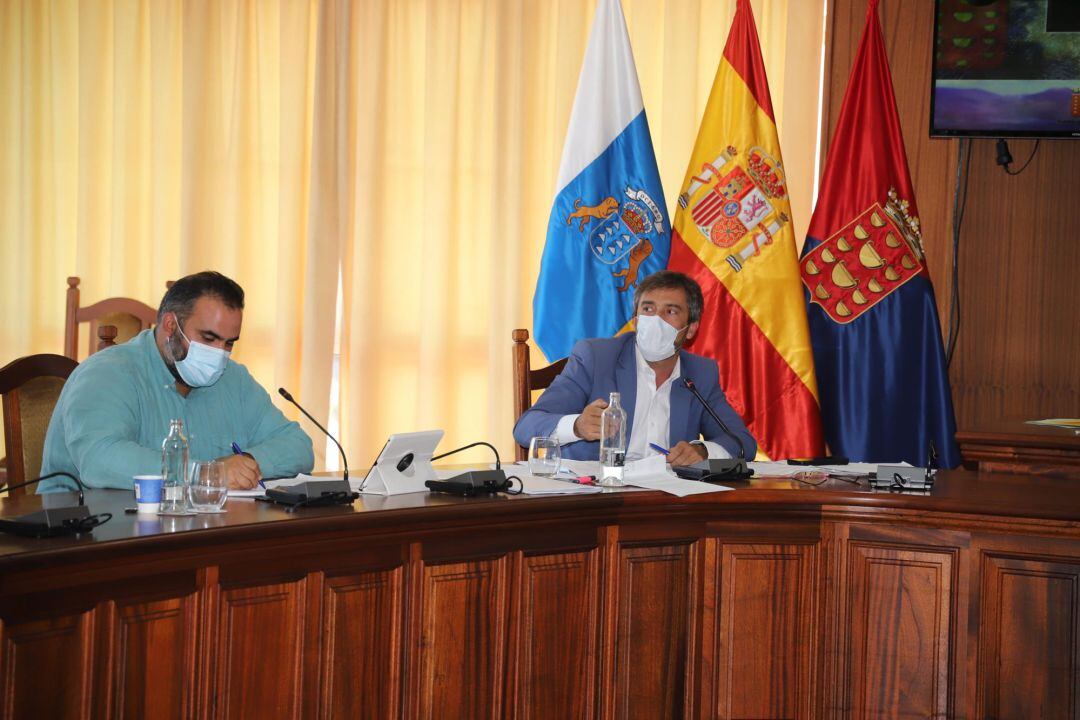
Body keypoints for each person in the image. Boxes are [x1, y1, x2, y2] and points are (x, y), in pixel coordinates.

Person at [40, 271, 314, 491]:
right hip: (91, 541)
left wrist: (249, 464)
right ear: (171, 326)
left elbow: (298, 446)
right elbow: (100, 460)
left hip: (197, 534)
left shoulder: (234, 379)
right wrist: (207, 473)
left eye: (229, 342)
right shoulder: (106, 373)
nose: (219, 353)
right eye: (208, 338)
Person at [514, 270, 756, 466]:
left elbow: (743, 443)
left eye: (670, 311)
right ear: (637, 319)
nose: (656, 319)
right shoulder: (596, 357)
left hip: (665, 503)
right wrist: (577, 426)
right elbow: (527, 426)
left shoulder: (700, 373)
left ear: (691, 328)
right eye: (648, 309)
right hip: (595, 499)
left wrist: (702, 450)